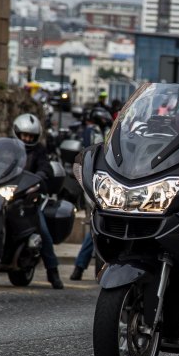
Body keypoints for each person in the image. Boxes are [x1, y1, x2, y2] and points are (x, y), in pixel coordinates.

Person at [13, 113, 64, 288]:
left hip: (30, 197)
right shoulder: (9, 148)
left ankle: (53, 272)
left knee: (42, 230)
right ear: (17, 133)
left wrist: (40, 176)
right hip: (9, 194)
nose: (27, 139)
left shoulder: (39, 150)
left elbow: (45, 167)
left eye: (30, 136)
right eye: (24, 135)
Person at [70, 107, 111, 281]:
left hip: (109, 182)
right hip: (94, 181)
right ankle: (79, 266)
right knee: (97, 225)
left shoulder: (110, 132)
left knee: (99, 226)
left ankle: (81, 267)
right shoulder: (91, 133)